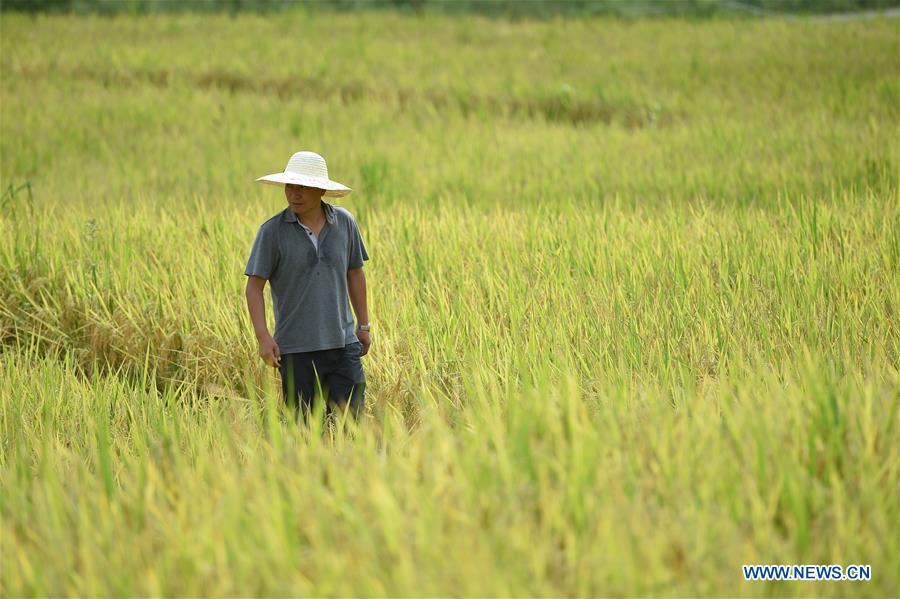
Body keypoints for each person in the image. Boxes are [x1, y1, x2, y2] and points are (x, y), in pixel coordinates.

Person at [244, 150, 371, 426]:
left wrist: (363, 326)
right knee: (305, 434)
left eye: (303, 187)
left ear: (321, 190)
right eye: (291, 186)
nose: (294, 194)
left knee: (352, 427)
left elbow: (355, 273)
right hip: (296, 351)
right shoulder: (272, 231)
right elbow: (254, 287)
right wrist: (263, 336)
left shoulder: (345, 223)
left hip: (343, 345)